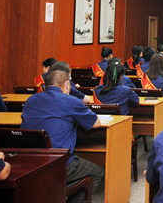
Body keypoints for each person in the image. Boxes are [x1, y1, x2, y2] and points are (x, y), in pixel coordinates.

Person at [21, 69, 104, 201]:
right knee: (97, 172)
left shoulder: (30, 100)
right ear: (66, 84)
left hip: (31, 162)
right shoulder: (70, 101)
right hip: (58, 163)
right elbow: (96, 123)